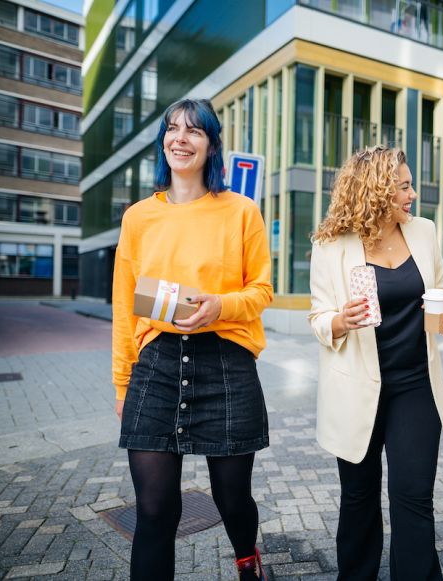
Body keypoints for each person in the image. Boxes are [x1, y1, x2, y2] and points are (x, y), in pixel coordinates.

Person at [111, 98, 273, 581]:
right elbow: (124, 305)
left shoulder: (241, 211)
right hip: (156, 366)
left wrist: (219, 306)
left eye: (194, 131)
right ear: (164, 142)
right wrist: (123, 385)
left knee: (232, 497)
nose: (180, 138)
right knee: (156, 510)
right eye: (172, 129)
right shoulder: (139, 217)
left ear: (211, 145)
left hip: (226, 364)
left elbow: (262, 290)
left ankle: (247, 558)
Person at [308, 145, 443, 580]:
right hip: (356, 388)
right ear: (376, 190)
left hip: (416, 385)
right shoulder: (331, 245)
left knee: (413, 496)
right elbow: (318, 318)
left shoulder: (424, 231)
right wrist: (340, 320)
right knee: (358, 497)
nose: (412, 194)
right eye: (404, 186)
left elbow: (439, 285)